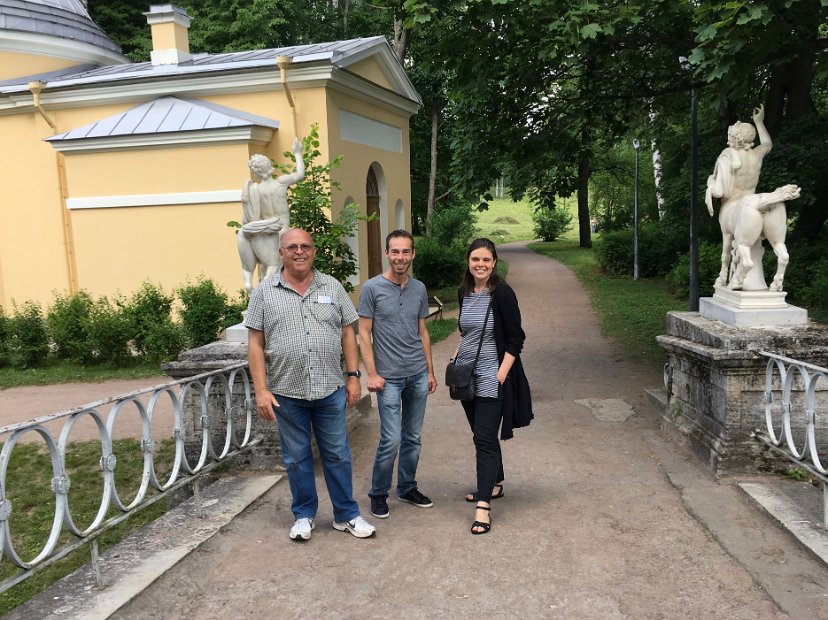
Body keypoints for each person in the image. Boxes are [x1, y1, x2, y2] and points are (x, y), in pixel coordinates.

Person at [245, 227, 376, 541]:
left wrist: (354, 377)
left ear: (314, 251)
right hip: (286, 393)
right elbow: (254, 343)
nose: (299, 252)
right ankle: (303, 515)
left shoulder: (331, 286)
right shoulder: (264, 291)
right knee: (296, 458)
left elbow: (348, 332)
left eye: (305, 246)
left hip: (330, 388)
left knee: (338, 454)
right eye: (292, 247)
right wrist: (261, 390)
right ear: (281, 253)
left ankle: (346, 515)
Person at [452, 238, 532, 535]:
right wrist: (459, 353)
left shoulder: (502, 294)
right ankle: (495, 483)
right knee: (481, 434)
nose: (480, 265)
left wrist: (500, 375)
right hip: (466, 377)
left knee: (484, 439)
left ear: (494, 262)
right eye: (475, 260)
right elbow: (467, 330)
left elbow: (515, 339)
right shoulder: (465, 292)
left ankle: (483, 506)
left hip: (492, 377)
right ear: (469, 262)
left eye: (486, 260)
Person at [358, 230, 438, 519]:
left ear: (413, 254)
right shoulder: (372, 288)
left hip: (416, 373)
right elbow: (363, 333)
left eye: (406, 252)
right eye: (395, 252)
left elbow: (423, 331)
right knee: (391, 439)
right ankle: (378, 494)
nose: (400, 257)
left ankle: (406, 487)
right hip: (387, 378)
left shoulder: (418, 289)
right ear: (387, 253)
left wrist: (429, 371)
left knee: (413, 437)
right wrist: (371, 373)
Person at [237, 138, 305, 293]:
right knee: (278, 266)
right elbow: (300, 174)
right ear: (269, 166)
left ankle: (250, 285)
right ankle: (269, 291)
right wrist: (297, 153)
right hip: (283, 231)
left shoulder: (256, 190)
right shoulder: (281, 182)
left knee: (264, 266)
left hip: (266, 230)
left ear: (255, 172)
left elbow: (255, 215)